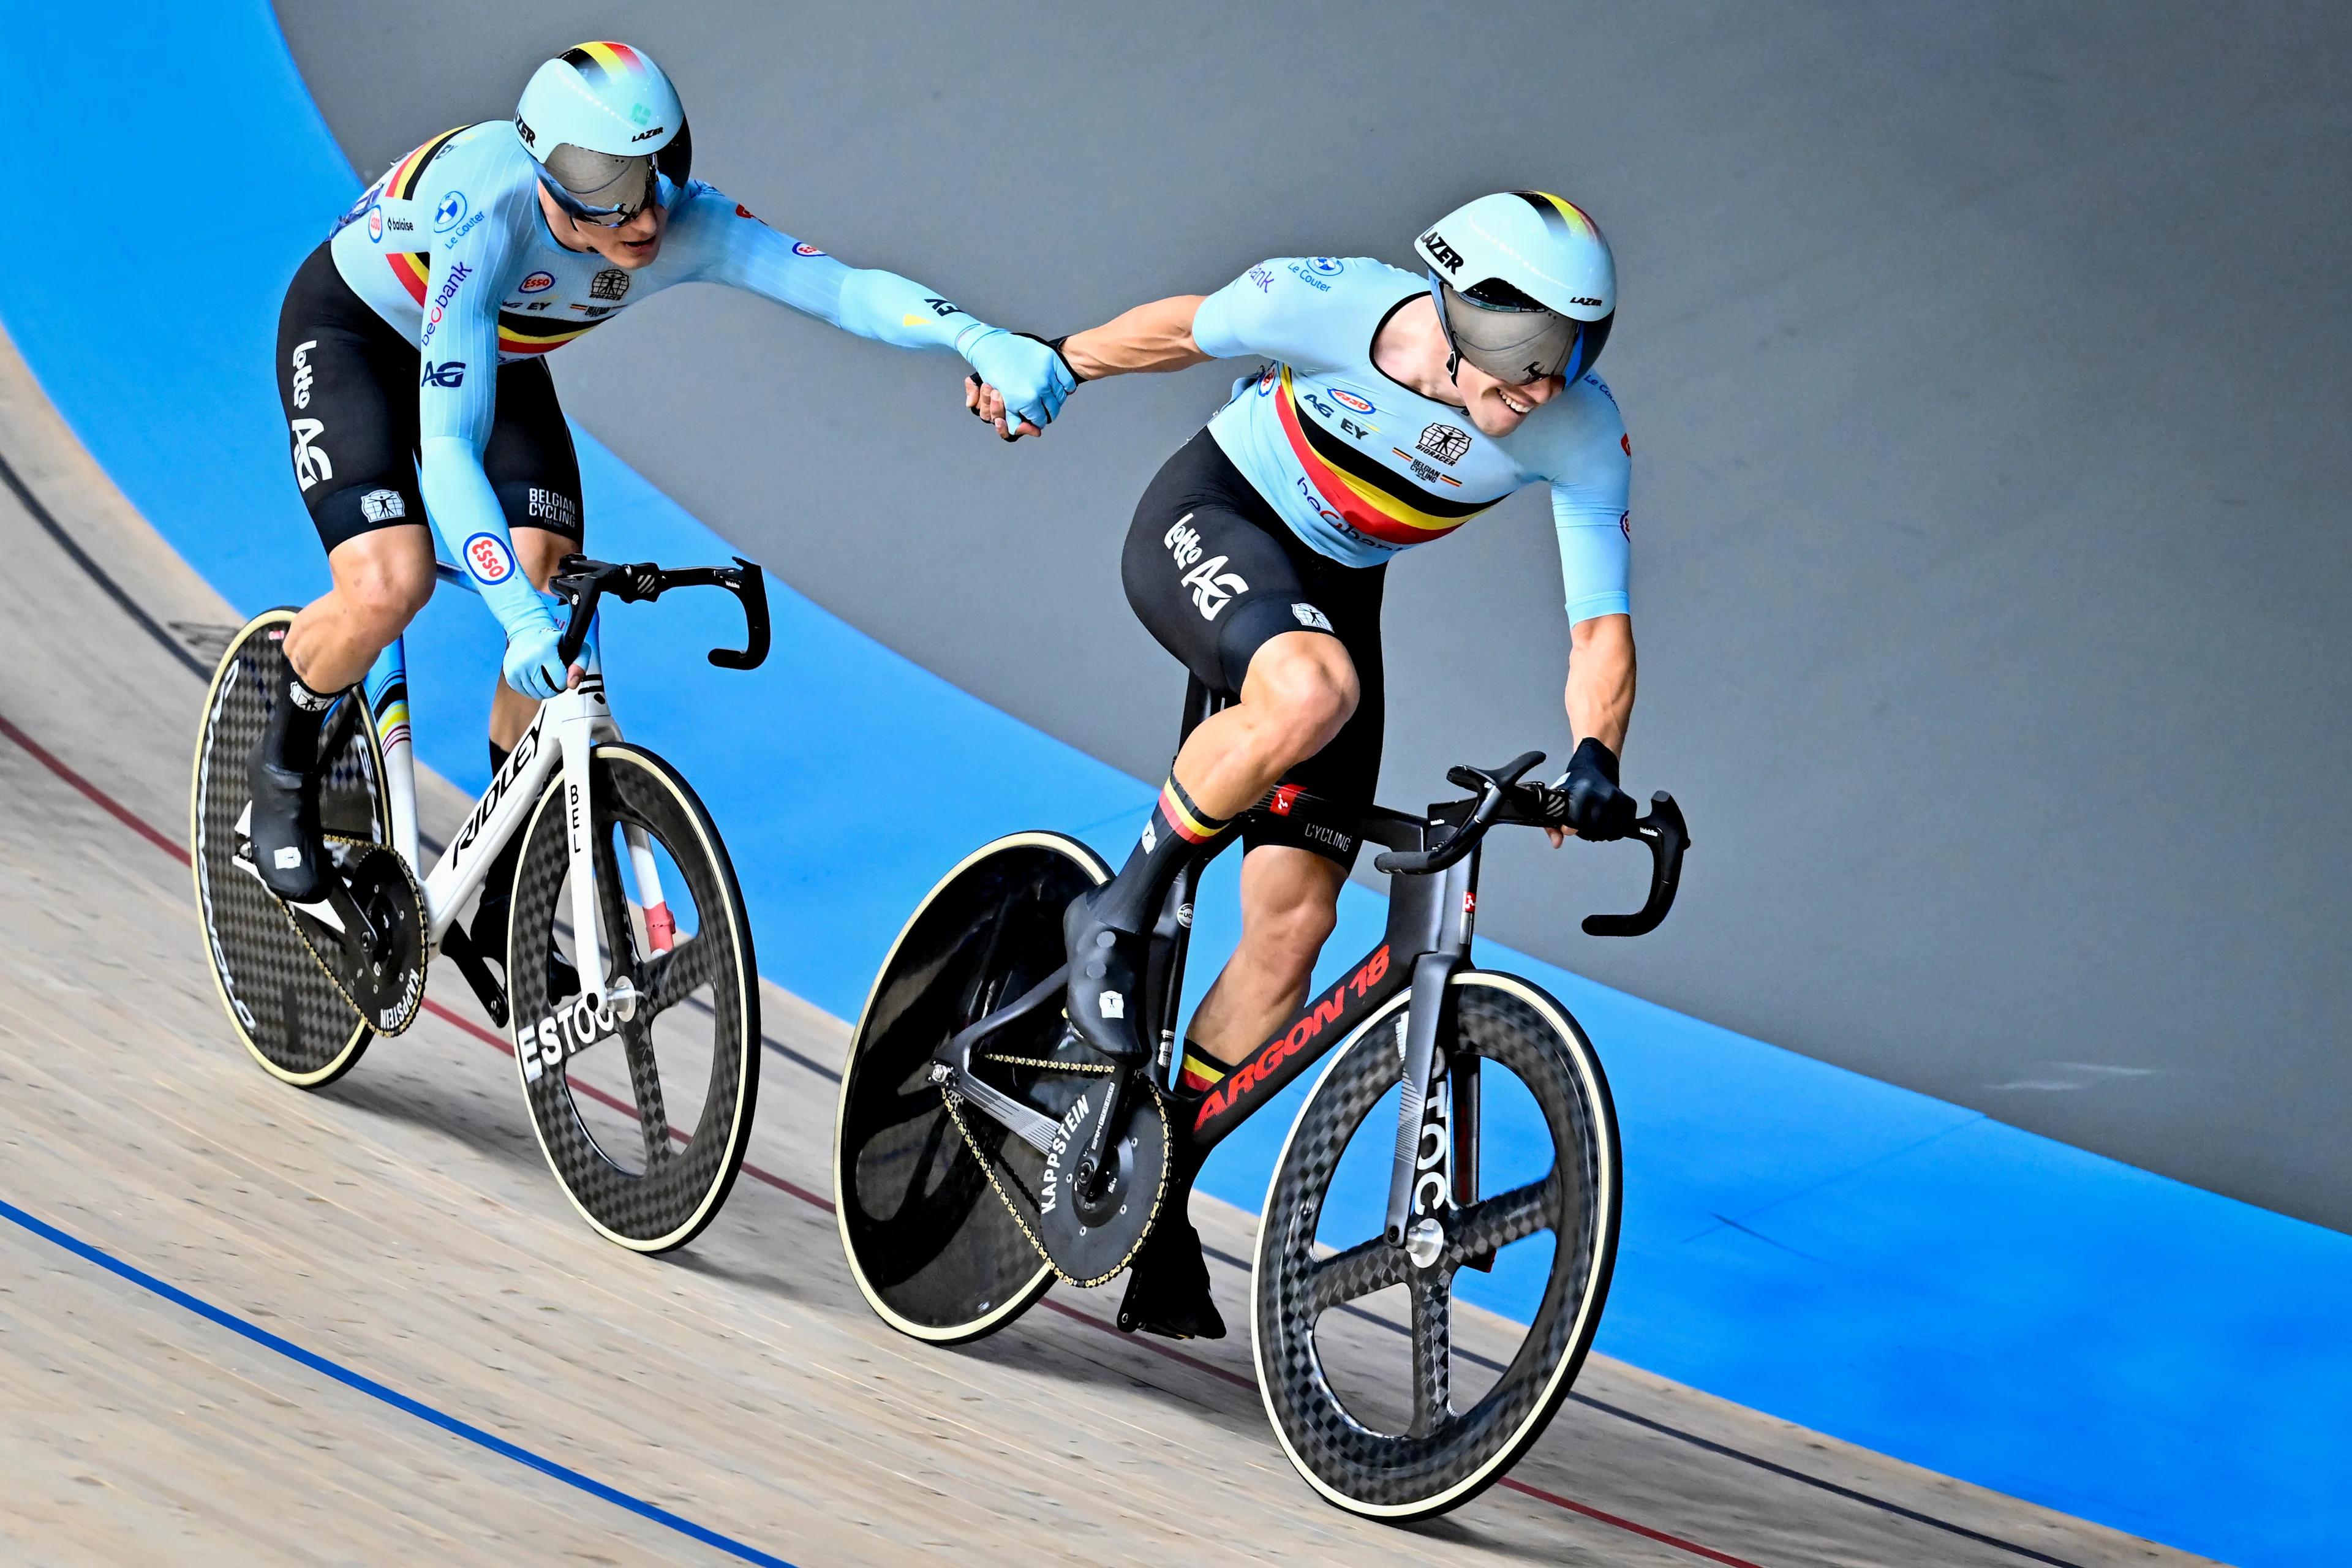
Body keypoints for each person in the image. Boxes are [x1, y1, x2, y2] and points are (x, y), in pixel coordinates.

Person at [969, 191, 1640, 1339]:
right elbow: (1191, 326)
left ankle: (1154, 1194)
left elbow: (1599, 631)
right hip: (1217, 514)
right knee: (1317, 692)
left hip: (1332, 591)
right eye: (1528, 354)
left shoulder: (1577, 430)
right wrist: (1055, 363)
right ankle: (1115, 913)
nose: (1544, 386)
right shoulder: (1337, 305)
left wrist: (1596, 755)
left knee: (1292, 929)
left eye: (1571, 356)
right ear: (1463, 312)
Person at [255, 40, 1074, 967]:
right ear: (548, 181)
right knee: (387, 584)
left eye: (656, 170)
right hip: (357, 333)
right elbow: (446, 450)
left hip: (497, 353)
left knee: (553, 577)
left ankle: (503, 883)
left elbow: (846, 290)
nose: (643, 213)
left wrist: (979, 339)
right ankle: (277, 784)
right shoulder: (486, 220)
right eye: (609, 186)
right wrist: (512, 615)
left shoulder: (685, 222)